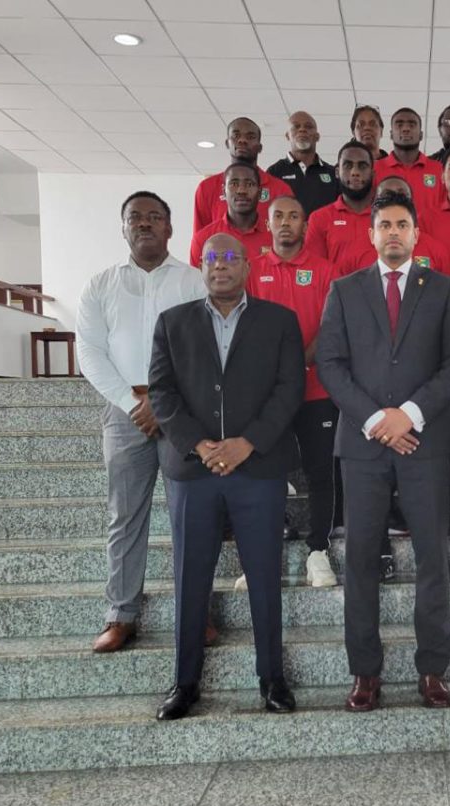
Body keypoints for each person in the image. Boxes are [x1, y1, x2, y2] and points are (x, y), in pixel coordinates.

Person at [316, 193, 450, 712]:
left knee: (433, 557)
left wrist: (410, 413)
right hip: (363, 446)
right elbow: (332, 365)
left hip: (424, 442)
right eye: (383, 224)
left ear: (416, 234)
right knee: (361, 559)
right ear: (370, 234)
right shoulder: (344, 290)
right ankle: (365, 673)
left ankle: (433, 669)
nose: (392, 233)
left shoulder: (443, 290)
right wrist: (379, 420)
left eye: (402, 225)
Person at [149, 233, 305, 720]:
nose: (220, 265)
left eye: (229, 257)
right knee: (190, 579)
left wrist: (248, 442)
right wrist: (199, 444)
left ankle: (271, 678)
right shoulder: (172, 323)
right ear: (200, 265)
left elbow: (289, 388)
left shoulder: (279, 322)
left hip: (256, 468)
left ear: (247, 265)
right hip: (193, 472)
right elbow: (162, 393)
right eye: (211, 258)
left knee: (264, 576)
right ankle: (185, 682)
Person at [76, 191, 208, 653]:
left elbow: (205, 350)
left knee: (191, 516)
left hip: (183, 412)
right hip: (123, 410)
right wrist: (133, 403)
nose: (145, 224)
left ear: (171, 229)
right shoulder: (100, 285)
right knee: (125, 516)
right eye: (136, 218)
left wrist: (165, 402)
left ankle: (196, 613)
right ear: (124, 228)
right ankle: (120, 614)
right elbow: (90, 352)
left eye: (155, 218)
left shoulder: (194, 282)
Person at [247, 196, 339, 588]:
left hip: (316, 390)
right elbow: (245, 326)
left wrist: (298, 365)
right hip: (266, 395)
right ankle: (260, 555)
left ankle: (319, 551)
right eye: (278, 216)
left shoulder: (326, 271)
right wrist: (277, 373)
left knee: (322, 473)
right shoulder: (251, 271)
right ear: (267, 224)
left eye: (294, 216)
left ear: (306, 226)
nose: (286, 223)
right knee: (266, 474)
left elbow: (331, 325)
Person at [334, 176, 450, 276]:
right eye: (386, 196)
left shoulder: (436, 251)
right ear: (373, 203)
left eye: (401, 195)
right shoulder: (354, 252)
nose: (394, 201)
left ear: (412, 202)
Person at [191, 117, 291, 235]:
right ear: (227, 143)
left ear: (260, 147)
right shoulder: (207, 188)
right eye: (236, 135)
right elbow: (200, 238)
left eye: (250, 137)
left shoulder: (280, 189)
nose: (242, 140)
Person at [189, 161, 272, 268]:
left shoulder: (276, 237)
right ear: (224, 191)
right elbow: (195, 283)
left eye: (249, 184)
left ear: (260, 192)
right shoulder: (203, 239)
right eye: (234, 184)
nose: (241, 190)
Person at [303, 141, 376, 263]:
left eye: (362, 166)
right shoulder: (319, 218)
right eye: (348, 165)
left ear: (372, 173)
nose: (355, 172)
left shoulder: (387, 217)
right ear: (337, 172)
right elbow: (315, 269)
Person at [265, 111, 339, 218]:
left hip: (323, 234)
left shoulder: (332, 173)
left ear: (317, 137)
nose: (302, 129)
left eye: (308, 127)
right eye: (296, 126)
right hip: (287, 234)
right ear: (287, 136)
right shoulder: (274, 172)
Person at [374, 107, 446, 212]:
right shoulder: (375, 170)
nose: (405, 129)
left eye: (412, 125)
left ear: (421, 135)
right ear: (391, 134)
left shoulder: (439, 170)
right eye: (399, 125)